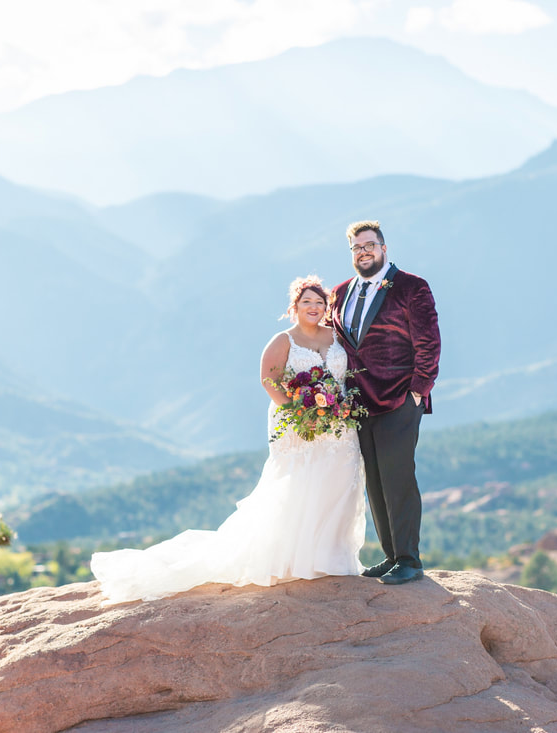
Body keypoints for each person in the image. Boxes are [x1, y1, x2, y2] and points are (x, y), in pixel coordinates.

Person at [90, 277, 366, 603]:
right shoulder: (283, 340)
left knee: (337, 483)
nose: (314, 307)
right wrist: (299, 410)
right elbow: (269, 380)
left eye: (319, 303)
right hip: (297, 424)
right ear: (295, 306)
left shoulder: (336, 337)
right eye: (307, 302)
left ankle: (331, 558)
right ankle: (296, 560)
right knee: (298, 486)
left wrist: (339, 406)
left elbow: (348, 375)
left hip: (339, 423)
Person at [330, 220, 440, 585]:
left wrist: (418, 389)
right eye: (357, 247)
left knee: (398, 478)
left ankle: (409, 558)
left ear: (383, 248)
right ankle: (392, 555)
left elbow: (429, 341)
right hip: (359, 403)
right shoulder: (341, 292)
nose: (364, 252)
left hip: (399, 399)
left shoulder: (411, 287)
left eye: (370, 245)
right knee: (374, 481)